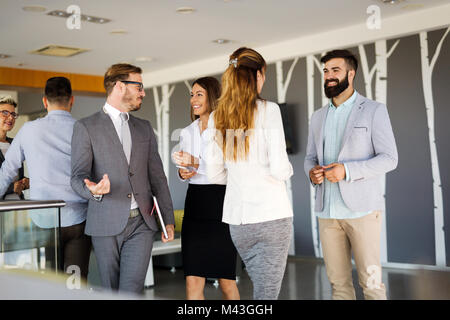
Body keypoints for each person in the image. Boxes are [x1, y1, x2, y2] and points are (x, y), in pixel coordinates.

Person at [70, 63, 175, 294]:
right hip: (105, 223)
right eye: (139, 86)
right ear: (119, 86)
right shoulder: (86, 127)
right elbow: (77, 177)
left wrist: (167, 219)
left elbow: (157, 177)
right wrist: (93, 190)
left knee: (131, 292)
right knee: (110, 291)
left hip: (142, 224)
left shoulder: (144, 128)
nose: (143, 92)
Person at [304, 49, 398, 300]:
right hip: (327, 213)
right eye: (326, 71)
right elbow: (309, 158)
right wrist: (312, 174)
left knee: (372, 284)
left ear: (351, 73)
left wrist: (347, 170)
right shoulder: (317, 117)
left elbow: (390, 159)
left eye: (335, 70)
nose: (329, 76)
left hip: (363, 211)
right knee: (338, 286)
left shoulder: (373, 110)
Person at [205, 47, 293, 300]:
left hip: (238, 222)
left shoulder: (215, 118)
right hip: (272, 217)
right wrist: (289, 169)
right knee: (266, 295)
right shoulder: (269, 110)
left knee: (261, 290)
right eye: (264, 74)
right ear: (256, 76)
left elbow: (214, 175)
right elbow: (279, 168)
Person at [0, 78, 91, 279]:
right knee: (75, 282)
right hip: (78, 218)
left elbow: (7, 170)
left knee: (50, 283)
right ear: (72, 100)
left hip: (43, 220)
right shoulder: (84, 129)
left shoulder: (29, 130)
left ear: (44, 101)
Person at [173, 77, 240, 300]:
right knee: (192, 280)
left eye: (199, 94)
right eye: (192, 95)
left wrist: (196, 163)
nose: (193, 99)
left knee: (226, 281)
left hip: (221, 203)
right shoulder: (186, 132)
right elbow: (186, 167)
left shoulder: (227, 129)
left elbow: (231, 169)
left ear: (212, 96)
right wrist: (183, 172)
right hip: (195, 204)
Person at [0, 96, 28, 200]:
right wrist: (12, 187)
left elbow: (16, 177)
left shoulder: (15, 143)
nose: (11, 117)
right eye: (5, 113)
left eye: (13, 114)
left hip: (17, 204)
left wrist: (25, 182)